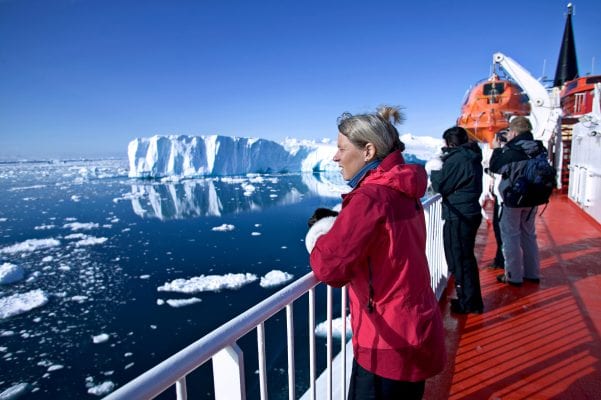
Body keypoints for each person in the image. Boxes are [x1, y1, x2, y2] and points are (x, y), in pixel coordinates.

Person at [305, 106, 446, 400]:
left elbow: (329, 269)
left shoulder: (371, 198)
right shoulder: (404, 188)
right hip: (415, 324)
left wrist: (319, 233)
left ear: (368, 151)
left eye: (341, 148)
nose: (335, 156)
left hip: (386, 340)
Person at [428, 126, 484, 314]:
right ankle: (471, 300)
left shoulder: (458, 159)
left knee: (459, 259)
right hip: (469, 211)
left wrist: (435, 168)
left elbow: (440, 186)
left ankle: (468, 303)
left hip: (459, 215)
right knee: (466, 258)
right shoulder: (471, 156)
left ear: (450, 143)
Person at [489, 117, 542, 286]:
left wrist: (497, 149)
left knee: (510, 236)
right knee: (529, 235)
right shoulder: (539, 148)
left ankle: (513, 275)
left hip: (513, 199)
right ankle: (532, 273)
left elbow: (495, 167)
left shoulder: (512, 151)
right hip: (533, 197)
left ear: (513, 132)